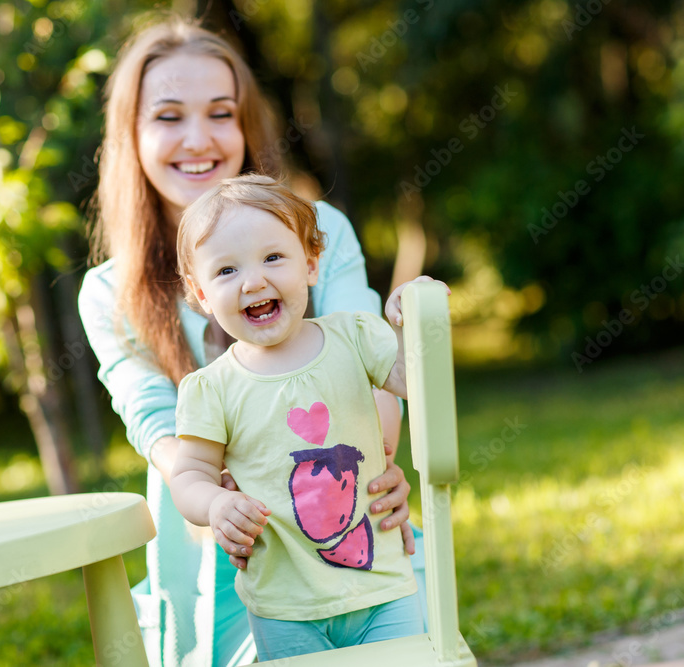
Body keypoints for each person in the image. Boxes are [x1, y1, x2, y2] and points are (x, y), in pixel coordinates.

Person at [77, 17, 423, 666]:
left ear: (247, 127)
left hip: (352, 522)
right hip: (219, 540)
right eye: (169, 116)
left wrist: (377, 466)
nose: (199, 139)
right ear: (131, 136)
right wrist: (219, 503)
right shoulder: (110, 288)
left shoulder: (321, 230)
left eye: (221, 113)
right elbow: (154, 419)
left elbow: (375, 359)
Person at [170, 175, 438, 660]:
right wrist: (213, 504)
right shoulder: (212, 389)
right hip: (283, 606)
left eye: (273, 257)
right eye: (226, 270)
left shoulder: (353, 337)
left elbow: (415, 378)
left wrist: (416, 316)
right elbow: (189, 474)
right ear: (202, 294)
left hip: (382, 588)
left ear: (311, 264)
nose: (253, 281)